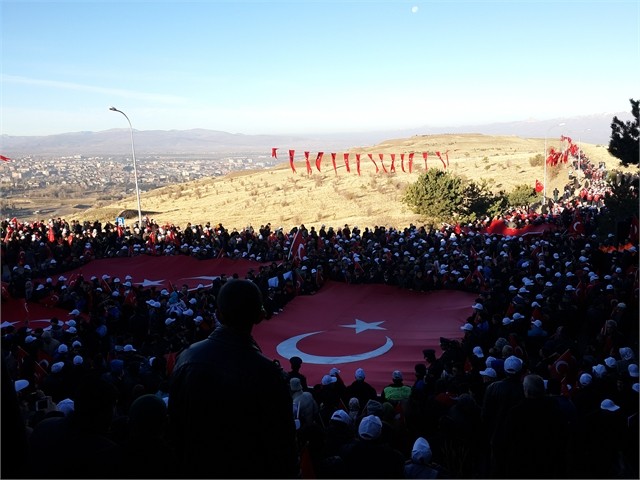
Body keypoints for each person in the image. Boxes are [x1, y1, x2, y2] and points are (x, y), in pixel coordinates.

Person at [168, 279, 299, 478]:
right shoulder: (269, 375)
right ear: (259, 316)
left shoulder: (186, 359)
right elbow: (282, 449)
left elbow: (174, 429)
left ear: (218, 314)